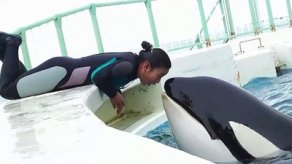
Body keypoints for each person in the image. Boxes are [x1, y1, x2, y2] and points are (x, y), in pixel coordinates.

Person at [0, 32, 171, 115]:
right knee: (8, 90)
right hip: (61, 73)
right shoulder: (128, 65)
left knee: (18, 82)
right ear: (147, 66)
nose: (158, 81)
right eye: (159, 75)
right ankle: (11, 43)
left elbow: (107, 74)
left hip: (61, 74)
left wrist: (114, 89)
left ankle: (4, 48)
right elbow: (98, 75)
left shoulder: (132, 66)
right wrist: (113, 93)